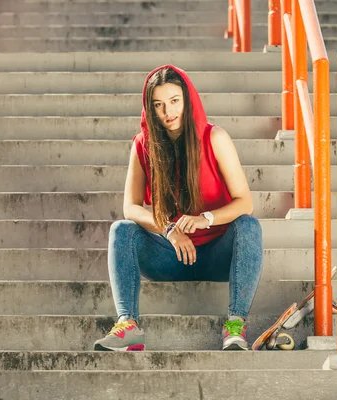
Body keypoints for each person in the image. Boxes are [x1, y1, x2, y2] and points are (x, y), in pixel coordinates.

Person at [93, 65, 263, 352]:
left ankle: (235, 324)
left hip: (217, 255)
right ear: (150, 109)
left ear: (188, 100)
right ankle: (128, 325)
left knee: (248, 225)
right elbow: (130, 208)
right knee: (122, 230)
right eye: (158, 105)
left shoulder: (214, 137)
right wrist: (169, 230)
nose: (167, 112)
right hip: (169, 257)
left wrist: (205, 219)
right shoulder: (143, 145)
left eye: (174, 101)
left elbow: (245, 202)